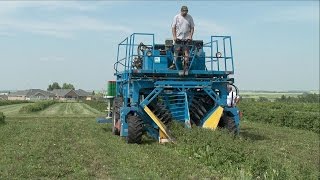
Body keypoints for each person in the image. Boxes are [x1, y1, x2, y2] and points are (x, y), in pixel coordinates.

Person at [169, 6, 195, 70]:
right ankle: (174, 64)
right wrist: (174, 37)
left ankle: (186, 65)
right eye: (183, 11)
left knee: (186, 52)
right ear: (181, 11)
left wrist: (190, 36)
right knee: (176, 51)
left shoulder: (189, 17)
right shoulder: (177, 17)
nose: (185, 12)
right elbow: (173, 27)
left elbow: (192, 27)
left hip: (186, 38)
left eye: (186, 11)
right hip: (178, 38)